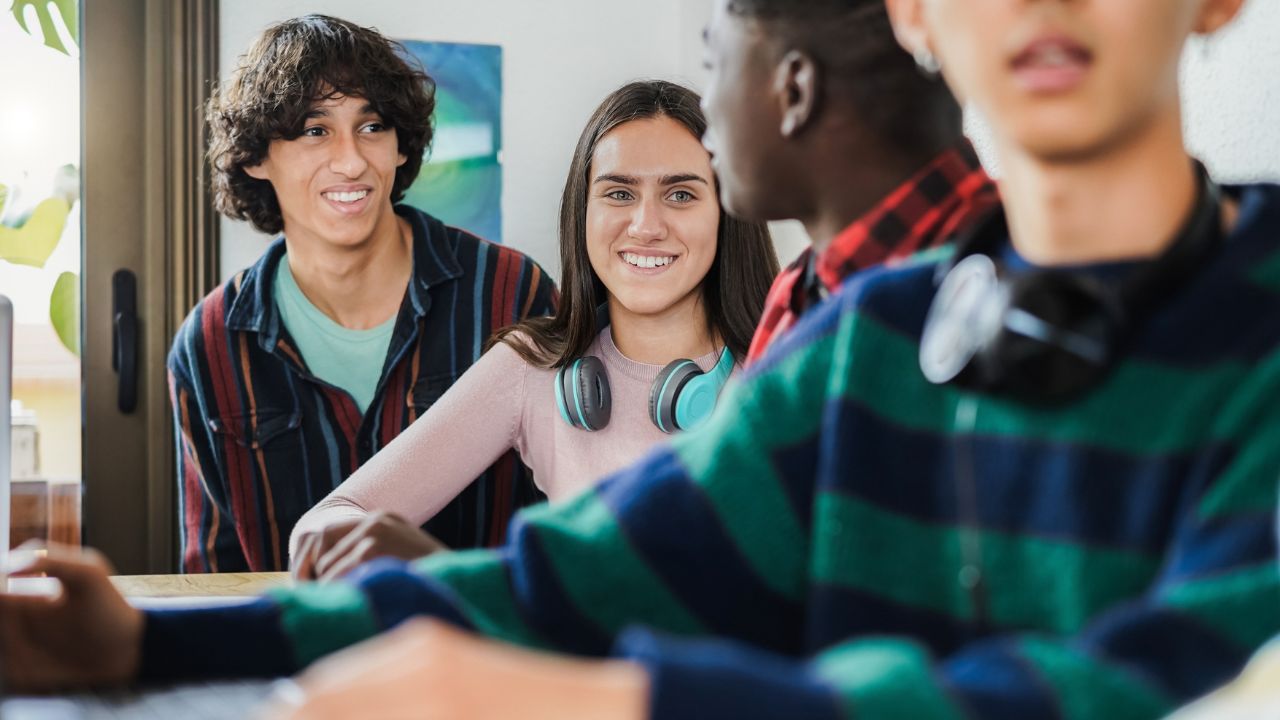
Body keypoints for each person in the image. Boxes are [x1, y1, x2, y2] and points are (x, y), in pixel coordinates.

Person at [4, 1, 1279, 719]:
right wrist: (149, 649)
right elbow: (574, 578)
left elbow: (1156, 685)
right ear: (917, 17)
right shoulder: (868, 349)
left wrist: (606, 705)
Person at [288, 80, 778, 581]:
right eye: (619, 193)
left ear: (727, 211)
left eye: (680, 194)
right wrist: (421, 563)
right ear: (582, 212)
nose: (645, 225)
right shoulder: (534, 367)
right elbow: (328, 520)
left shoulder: (784, 373)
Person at [167, 15, 557, 574]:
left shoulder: (513, 296)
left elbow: (573, 521)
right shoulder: (210, 345)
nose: (351, 161)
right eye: (313, 130)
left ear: (401, 146)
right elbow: (213, 572)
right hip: (300, 655)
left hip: (480, 646)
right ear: (256, 157)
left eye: (372, 127)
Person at [713, 0, 998, 364]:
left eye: (713, 66)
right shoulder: (797, 291)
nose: (706, 106)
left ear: (795, 92)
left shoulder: (1018, 270)